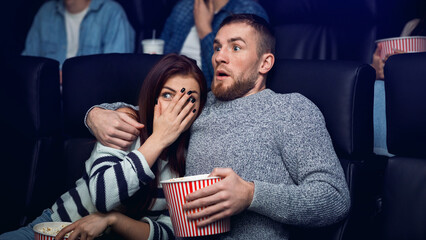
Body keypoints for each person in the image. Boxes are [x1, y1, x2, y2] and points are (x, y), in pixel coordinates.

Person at [85, 14, 350, 239]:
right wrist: (96, 114)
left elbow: (334, 199)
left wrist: (250, 195)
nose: (220, 57)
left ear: (264, 63)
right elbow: (151, 105)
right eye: (217, 47)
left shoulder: (291, 110)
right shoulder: (198, 104)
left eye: (235, 48)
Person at [0, 54, 207, 240]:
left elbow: (169, 232)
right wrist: (159, 138)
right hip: (57, 230)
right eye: (168, 95)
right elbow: (103, 197)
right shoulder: (125, 124)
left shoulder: (194, 155)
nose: (176, 108)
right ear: (153, 98)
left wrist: (114, 221)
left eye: (189, 99)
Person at [160, 0, 269, 88]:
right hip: (169, 82)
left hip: (206, 92)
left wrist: (204, 30)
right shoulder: (184, 7)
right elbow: (162, 54)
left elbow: (231, 79)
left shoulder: (247, 10)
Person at [370, 5, 426, 156]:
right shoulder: (413, 26)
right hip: (401, 105)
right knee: (376, 88)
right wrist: (376, 70)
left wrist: (412, 68)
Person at [22, 0, 135, 68]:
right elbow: (27, 65)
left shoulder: (112, 13)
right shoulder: (45, 12)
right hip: (47, 96)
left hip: (90, 99)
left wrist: (65, 77)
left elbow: (115, 71)